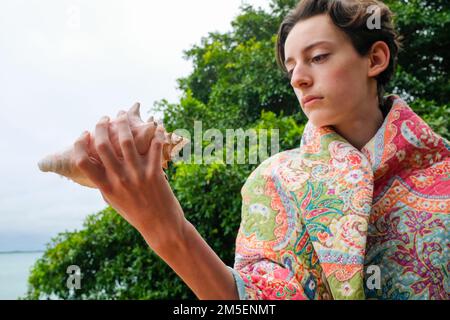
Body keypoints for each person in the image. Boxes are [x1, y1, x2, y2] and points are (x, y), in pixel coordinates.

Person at [73, 0, 449, 300]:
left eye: (318, 57)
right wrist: (164, 229)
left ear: (375, 59)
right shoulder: (274, 181)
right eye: (291, 67)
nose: (299, 78)